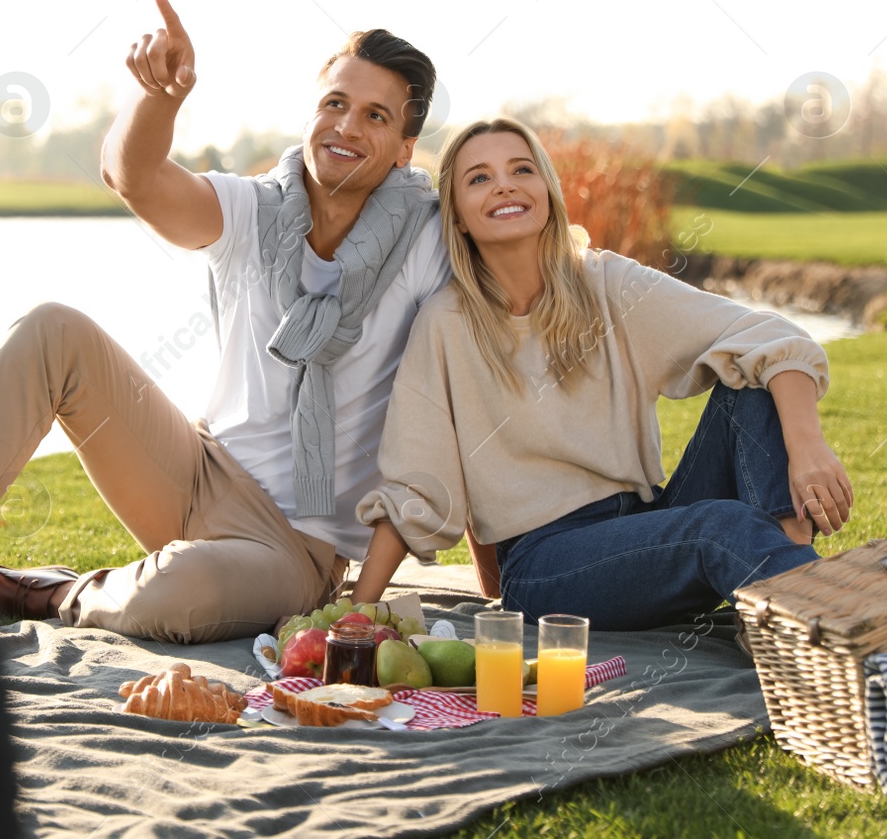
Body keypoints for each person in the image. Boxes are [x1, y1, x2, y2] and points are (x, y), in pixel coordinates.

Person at [0, 0, 450, 652]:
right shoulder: (256, 211)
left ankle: (32, 588)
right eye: (334, 102)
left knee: (182, 592)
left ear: (404, 149)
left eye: (376, 116)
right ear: (311, 114)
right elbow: (133, 176)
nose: (346, 126)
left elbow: (500, 326)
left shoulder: (425, 242)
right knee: (54, 329)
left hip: (294, 547)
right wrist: (157, 97)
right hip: (195, 473)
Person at [348, 117, 854, 629]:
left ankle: (783, 601)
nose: (504, 184)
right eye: (478, 178)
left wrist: (808, 447)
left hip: (643, 524)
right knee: (720, 529)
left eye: (522, 169)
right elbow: (415, 487)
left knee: (751, 383)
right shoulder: (445, 323)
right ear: (456, 216)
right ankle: (831, 622)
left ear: (546, 190)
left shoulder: (606, 282)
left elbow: (770, 337)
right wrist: (358, 611)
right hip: (547, 565)